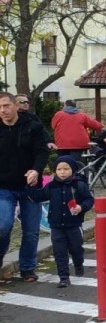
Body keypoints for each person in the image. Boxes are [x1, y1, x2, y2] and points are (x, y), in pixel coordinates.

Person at [0, 92, 50, 283]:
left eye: (6, 106)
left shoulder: (33, 126)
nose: (3, 111)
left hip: (30, 187)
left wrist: (36, 170)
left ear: (15, 106)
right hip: (4, 187)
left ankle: (27, 268)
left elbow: (42, 152)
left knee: (31, 230)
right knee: (3, 225)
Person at [29, 154, 93, 288]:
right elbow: (38, 196)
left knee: (76, 248)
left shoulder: (79, 185)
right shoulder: (52, 186)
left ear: (73, 170)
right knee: (59, 252)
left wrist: (81, 207)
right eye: (59, 169)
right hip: (56, 225)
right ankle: (64, 277)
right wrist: (31, 185)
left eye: (66, 169)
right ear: (55, 171)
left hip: (74, 224)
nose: (62, 172)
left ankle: (78, 263)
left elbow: (89, 200)